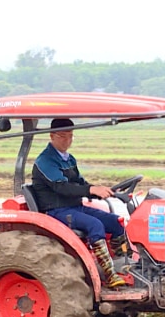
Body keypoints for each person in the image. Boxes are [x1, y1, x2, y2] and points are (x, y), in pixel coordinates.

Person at [32, 118, 129, 288]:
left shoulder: (69, 159)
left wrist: (101, 190)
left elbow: (80, 183)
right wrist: (91, 190)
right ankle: (109, 275)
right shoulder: (45, 161)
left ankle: (125, 265)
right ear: (52, 136)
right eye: (63, 136)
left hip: (74, 207)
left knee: (115, 222)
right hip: (57, 210)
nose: (67, 141)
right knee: (95, 225)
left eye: (70, 136)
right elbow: (61, 187)